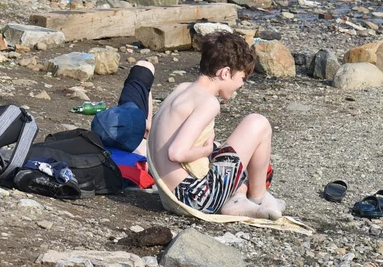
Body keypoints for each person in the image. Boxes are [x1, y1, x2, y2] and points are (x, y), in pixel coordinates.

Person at [148, 31, 285, 219]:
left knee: (225, 150)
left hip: (169, 196)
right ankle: (258, 199)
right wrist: (206, 150)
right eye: (242, 78)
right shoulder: (208, 102)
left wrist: (212, 148)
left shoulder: (181, 90)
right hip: (196, 198)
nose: (241, 85)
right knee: (258, 123)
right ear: (225, 72)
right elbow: (176, 153)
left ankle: (238, 199)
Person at [92, 60, 155, 156]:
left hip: (130, 138)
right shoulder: (143, 154)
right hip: (141, 143)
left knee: (144, 66)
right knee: (144, 66)